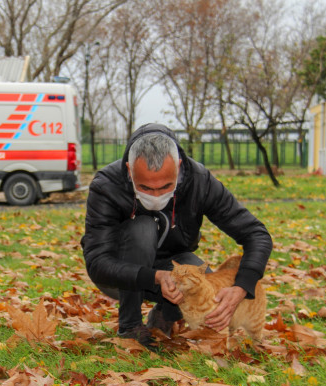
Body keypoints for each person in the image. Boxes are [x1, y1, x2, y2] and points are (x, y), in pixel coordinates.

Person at [80, 123, 272, 348]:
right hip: (121, 272)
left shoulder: (199, 181)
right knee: (142, 228)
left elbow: (256, 234)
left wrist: (242, 286)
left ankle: (165, 314)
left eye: (165, 186)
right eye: (145, 188)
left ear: (179, 167)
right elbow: (97, 262)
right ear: (129, 170)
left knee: (204, 284)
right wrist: (155, 276)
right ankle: (130, 326)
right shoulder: (107, 185)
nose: (156, 195)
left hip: (173, 265)